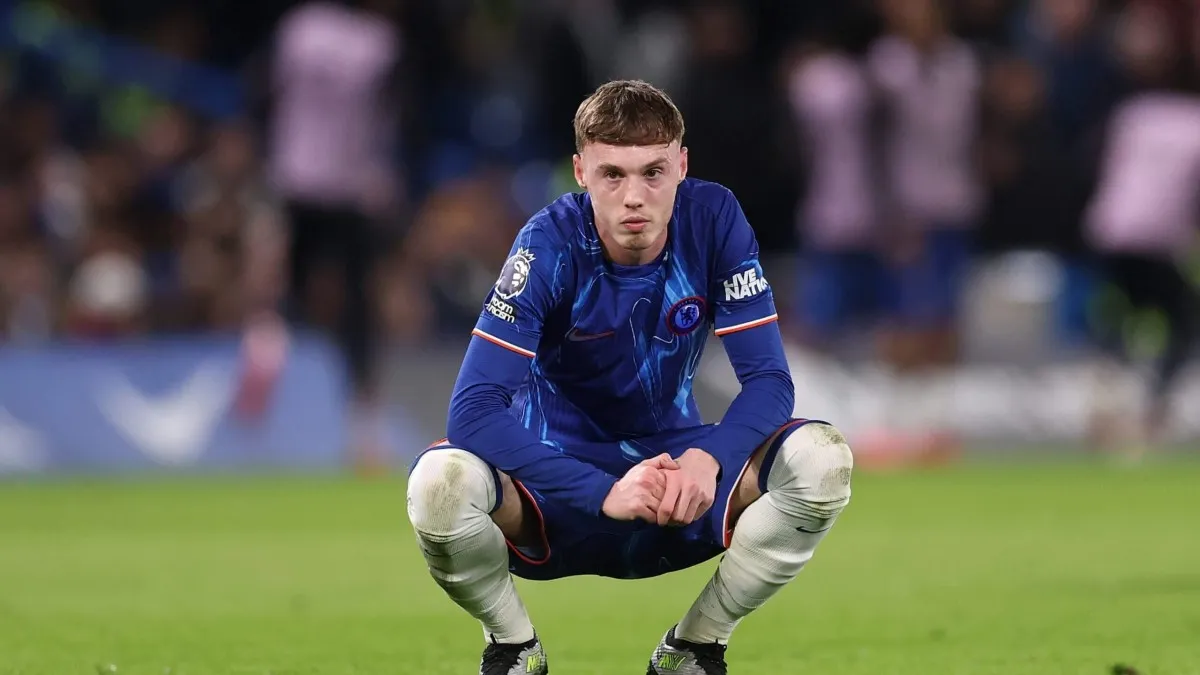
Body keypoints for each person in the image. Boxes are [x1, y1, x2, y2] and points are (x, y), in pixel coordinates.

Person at [404, 80, 854, 674]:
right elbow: (473, 410)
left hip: (677, 481)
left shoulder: (713, 219)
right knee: (437, 485)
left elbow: (770, 380)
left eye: (653, 172)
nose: (634, 197)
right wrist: (602, 492)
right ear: (580, 173)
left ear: (682, 166)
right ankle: (513, 649)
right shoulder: (547, 246)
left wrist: (707, 460)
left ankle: (695, 649)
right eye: (612, 174)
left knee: (822, 460)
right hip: (554, 490)